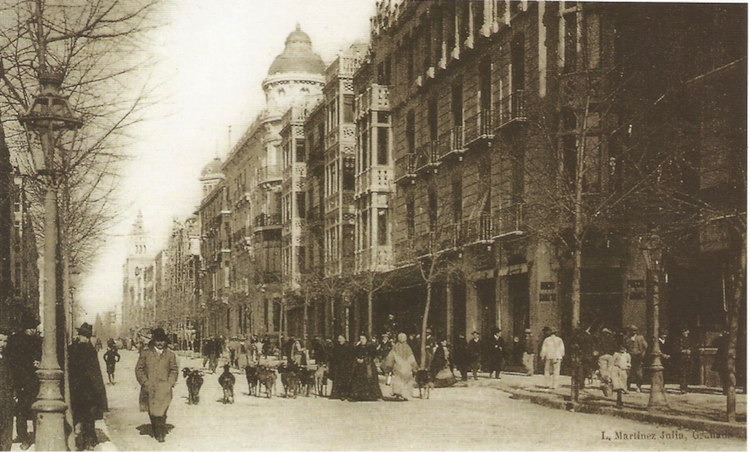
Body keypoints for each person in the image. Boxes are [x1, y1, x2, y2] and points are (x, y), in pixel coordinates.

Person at [69, 323, 109, 451]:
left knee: (89, 416)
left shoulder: (91, 350)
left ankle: (89, 440)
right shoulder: (71, 349)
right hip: (76, 389)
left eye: (87, 336)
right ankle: (79, 441)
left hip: (89, 390)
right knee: (77, 416)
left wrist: (98, 390)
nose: (85, 339)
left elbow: (95, 371)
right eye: (83, 336)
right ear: (79, 335)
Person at [135, 328, 179, 443]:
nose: (160, 343)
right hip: (150, 387)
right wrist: (145, 382)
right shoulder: (145, 353)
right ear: (153, 341)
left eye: (162, 341)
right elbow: (139, 369)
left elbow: (174, 370)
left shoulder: (170, 355)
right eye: (158, 340)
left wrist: (170, 382)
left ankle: (160, 432)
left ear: (165, 341)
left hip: (164, 388)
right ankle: (156, 428)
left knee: (163, 411)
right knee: (153, 411)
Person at [7, 313, 41, 450]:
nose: (32, 330)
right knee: (21, 411)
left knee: (35, 410)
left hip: (34, 381)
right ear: (24, 328)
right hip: (20, 381)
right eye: (29, 328)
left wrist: (39, 362)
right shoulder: (15, 340)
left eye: (33, 328)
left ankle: (37, 436)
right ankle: (23, 437)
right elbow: (12, 361)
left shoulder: (38, 341)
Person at [382, 333, 418, 400]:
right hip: (407, 367)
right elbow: (411, 358)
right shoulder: (408, 348)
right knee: (406, 381)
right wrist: (414, 367)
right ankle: (405, 394)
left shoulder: (395, 347)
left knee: (397, 380)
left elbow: (390, 357)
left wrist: (388, 367)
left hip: (398, 367)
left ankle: (398, 393)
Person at [349, 334, 382, 401]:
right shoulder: (359, 346)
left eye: (363, 338)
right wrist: (357, 359)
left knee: (369, 378)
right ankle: (358, 395)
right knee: (358, 379)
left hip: (368, 365)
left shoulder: (370, 346)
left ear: (366, 339)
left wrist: (366, 359)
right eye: (360, 338)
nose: (361, 340)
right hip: (360, 366)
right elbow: (354, 354)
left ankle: (371, 395)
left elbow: (373, 354)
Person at [624, 325, 648, 393]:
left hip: (638, 356)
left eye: (634, 331)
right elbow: (625, 346)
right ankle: (627, 386)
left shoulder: (640, 338)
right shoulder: (626, 338)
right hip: (629, 356)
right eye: (631, 331)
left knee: (639, 373)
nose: (633, 332)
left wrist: (643, 354)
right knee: (628, 372)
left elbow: (645, 346)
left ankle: (638, 386)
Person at [0, 329, 13, 452]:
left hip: (5, 399)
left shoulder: (6, 359)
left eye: (5, 341)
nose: (2, 344)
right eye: (0, 340)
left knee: (6, 427)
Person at [329, 335, 353, 400]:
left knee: (345, 380)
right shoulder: (337, 347)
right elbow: (333, 356)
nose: (339, 340)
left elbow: (351, 356)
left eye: (341, 338)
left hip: (346, 366)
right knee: (337, 380)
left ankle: (345, 394)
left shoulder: (348, 346)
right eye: (339, 338)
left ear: (344, 339)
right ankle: (337, 394)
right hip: (338, 366)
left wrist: (347, 364)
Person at [611, 344, 631, 408]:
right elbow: (612, 362)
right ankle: (619, 401)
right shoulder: (616, 354)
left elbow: (629, 363)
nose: (622, 349)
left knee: (623, 386)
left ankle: (621, 401)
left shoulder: (627, 355)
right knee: (618, 387)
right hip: (616, 370)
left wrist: (628, 367)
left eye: (624, 348)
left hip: (624, 371)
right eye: (621, 348)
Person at [675, 327, 693, 393]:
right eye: (684, 331)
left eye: (687, 331)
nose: (686, 333)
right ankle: (683, 387)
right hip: (682, 358)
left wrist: (690, 351)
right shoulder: (679, 340)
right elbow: (676, 348)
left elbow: (694, 347)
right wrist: (682, 351)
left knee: (688, 372)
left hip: (689, 358)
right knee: (682, 373)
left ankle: (686, 386)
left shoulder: (690, 339)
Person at [711, 330, 730, 395]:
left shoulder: (729, 339)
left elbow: (713, 343)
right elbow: (713, 343)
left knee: (725, 375)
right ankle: (726, 389)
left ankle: (726, 389)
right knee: (723, 375)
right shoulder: (722, 339)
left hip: (726, 359)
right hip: (722, 359)